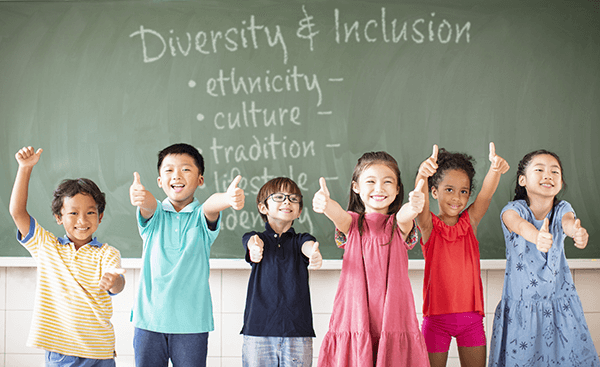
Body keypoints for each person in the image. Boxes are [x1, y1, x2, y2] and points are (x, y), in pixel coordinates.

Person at [129, 143, 245, 367]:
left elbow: (211, 205)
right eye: (169, 170)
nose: (177, 175)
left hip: (191, 324)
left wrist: (227, 199)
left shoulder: (201, 218)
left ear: (200, 179)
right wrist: (141, 197)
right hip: (149, 321)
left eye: (186, 169)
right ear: (160, 181)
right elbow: (149, 204)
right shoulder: (155, 216)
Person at [9, 146, 125, 366]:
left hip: (101, 350)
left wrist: (115, 282)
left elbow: (117, 285)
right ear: (58, 217)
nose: (82, 220)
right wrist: (25, 168)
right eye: (73, 213)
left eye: (90, 212)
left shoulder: (107, 253)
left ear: (100, 217)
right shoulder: (47, 247)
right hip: (63, 351)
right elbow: (17, 213)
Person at [312, 151, 429, 367]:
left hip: (393, 315)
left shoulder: (398, 225)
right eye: (371, 181)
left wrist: (413, 207)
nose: (379, 188)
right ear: (356, 187)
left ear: (397, 190)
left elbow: (405, 216)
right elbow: (339, 215)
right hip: (355, 314)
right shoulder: (353, 224)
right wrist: (326, 204)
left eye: (387, 182)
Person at [488, 149, 600, 367]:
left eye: (555, 171)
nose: (548, 175)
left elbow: (568, 222)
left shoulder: (562, 209)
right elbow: (519, 225)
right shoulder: (512, 210)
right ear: (522, 180)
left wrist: (576, 232)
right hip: (522, 311)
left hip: (562, 308)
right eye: (539, 169)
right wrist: (536, 236)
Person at [415, 143, 509, 367]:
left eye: (464, 191)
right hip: (435, 320)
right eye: (449, 189)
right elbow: (420, 203)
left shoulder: (470, 222)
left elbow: (486, 195)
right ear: (434, 191)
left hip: (471, 321)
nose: (457, 197)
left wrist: (494, 170)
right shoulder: (429, 226)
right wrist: (422, 175)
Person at [241, 177, 323, 366]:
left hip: (297, 331)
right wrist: (254, 248)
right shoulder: (255, 238)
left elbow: (308, 246)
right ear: (263, 208)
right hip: (258, 330)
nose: (287, 201)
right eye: (279, 197)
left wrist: (314, 253)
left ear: (299, 211)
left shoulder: (301, 239)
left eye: (293, 198)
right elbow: (253, 242)